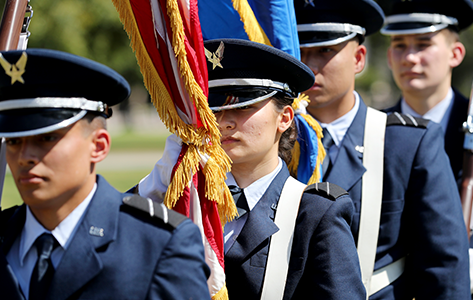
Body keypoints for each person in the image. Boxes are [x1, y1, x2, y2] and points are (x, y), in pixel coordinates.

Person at [137, 38, 366, 299]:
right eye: (214, 108)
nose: (224, 122)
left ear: (284, 118)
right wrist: (160, 179)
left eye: (243, 106)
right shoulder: (182, 196)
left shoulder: (315, 213)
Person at [0, 49, 211, 300]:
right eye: (13, 141)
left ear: (98, 146)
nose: (24, 156)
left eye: (47, 138)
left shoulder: (158, 245)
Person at [294, 0, 470, 299]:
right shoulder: (273, 143)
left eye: (326, 50)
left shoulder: (406, 143)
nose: (309, 66)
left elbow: (444, 267)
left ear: (359, 58)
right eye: (300, 52)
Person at [382, 0, 473, 298]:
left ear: (456, 53)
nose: (409, 57)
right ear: (388, 56)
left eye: (423, 44)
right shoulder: (375, 130)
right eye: (399, 45)